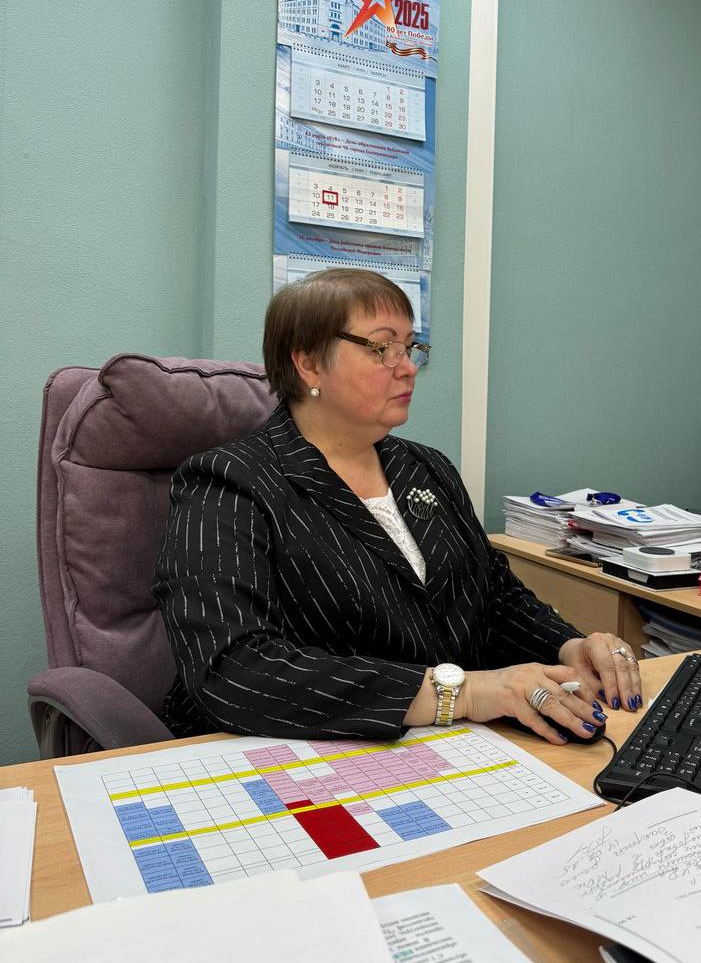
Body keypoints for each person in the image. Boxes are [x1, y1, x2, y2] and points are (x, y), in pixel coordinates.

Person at [154, 269, 641, 745]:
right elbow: (232, 669)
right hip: (294, 752)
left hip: (452, 744)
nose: (407, 367)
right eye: (382, 348)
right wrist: (463, 694)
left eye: (410, 347)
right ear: (309, 364)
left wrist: (568, 646)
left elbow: (493, 598)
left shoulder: (427, 468)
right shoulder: (228, 482)